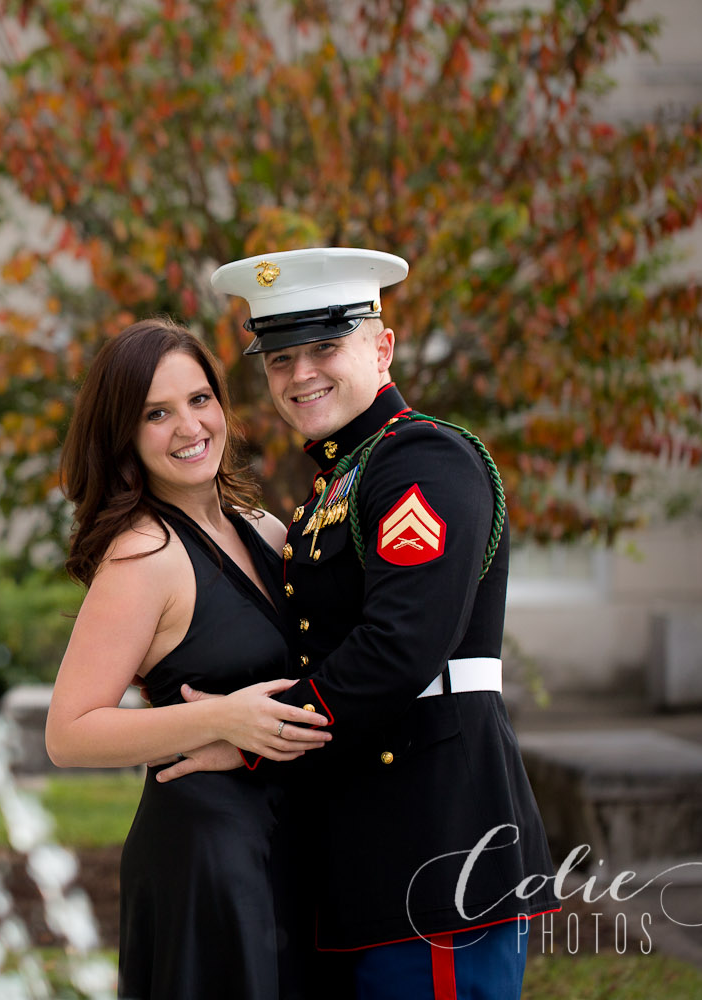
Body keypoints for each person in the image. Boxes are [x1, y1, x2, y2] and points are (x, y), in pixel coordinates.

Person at [158, 247, 559, 1000]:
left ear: (383, 348)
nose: (299, 373)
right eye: (280, 357)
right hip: (368, 854)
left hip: (437, 846)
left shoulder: (423, 461)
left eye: (324, 347)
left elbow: (400, 647)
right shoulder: (343, 480)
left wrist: (251, 738)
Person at [45, 318, 330, 999]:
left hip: (290, 836)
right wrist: (220, 720)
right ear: (124, 434)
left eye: (200, 400)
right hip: (209, 857)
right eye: (156, 414)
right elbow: (69, 732)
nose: (189, 427)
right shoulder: (143, 555)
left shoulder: (263, 529)